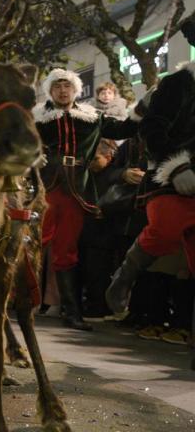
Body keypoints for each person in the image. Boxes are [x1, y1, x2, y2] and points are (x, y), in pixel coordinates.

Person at [34, 68, 137, 331]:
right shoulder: (38, 120)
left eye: (67, 85)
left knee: (66, 249)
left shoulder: (92, 117)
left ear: (76, 89)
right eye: (57, 86)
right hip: (47, 186)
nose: (63, 90)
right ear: (50, 90)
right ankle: (23, 299)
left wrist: (147, 106)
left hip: (77, 189)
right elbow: (19, 144)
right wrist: (33, 157)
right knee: (34, 243)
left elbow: (126, 127)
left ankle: (72, 312)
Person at [106, 58, 195, 342]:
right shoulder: (177, 84)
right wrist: (177, 166)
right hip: (171, 177)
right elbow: (149, 129)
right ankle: (125, 275)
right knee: (166, 231)